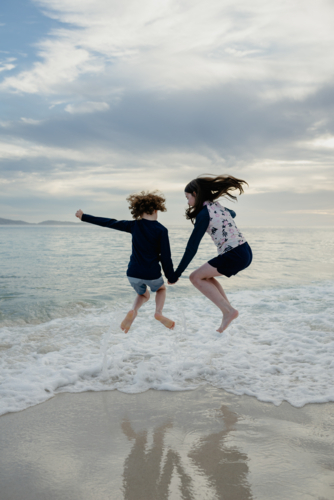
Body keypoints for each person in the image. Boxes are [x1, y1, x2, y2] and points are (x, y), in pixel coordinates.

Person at [75, 191, 176, 333]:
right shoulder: (162, 230)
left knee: (142, 294)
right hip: (152, 273)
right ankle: (158, 312)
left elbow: (109, 223)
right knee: (161, 289)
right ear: (156, 209)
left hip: (133, 273)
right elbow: (166, 257)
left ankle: (133, 311)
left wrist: (84, 217)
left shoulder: (134, 225)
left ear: (139, 211)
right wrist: (171, 277)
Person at [169, 175, 252, 333]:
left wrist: (177, 273)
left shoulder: (204, 214)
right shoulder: (217, 207)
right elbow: (232, 213)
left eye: (188, 197)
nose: (187, 202)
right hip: (245, 251)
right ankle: (228, 311)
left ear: (195, 194)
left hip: (234, 254)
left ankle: (228, 311)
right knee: (205, 276)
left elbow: (192, 247)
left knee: (195, 277)